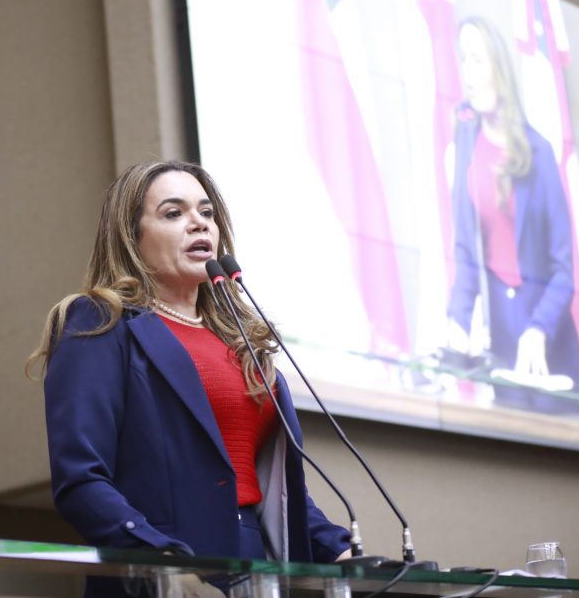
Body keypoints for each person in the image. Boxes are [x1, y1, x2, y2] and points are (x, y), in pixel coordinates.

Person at [29, 161, 352, 596]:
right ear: (132, 237)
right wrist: (161, 563)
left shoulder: (240, 340)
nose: (199, 222)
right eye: (173, 213)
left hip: (260, 568)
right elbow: (80, 480)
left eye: (206, 212)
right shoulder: (100, 324)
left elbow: (264, 488)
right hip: (164, 571)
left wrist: (341, 553)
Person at [446, 17, 579, 415]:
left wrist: (538, 329)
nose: (469, 74)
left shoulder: (540, 153)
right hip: (503, 350)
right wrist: (456, 322)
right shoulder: (466, 147)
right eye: (463, 60)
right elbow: (467, 254)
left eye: (478, 60)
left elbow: (563, 271)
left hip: (550, 347)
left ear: (499, 67)